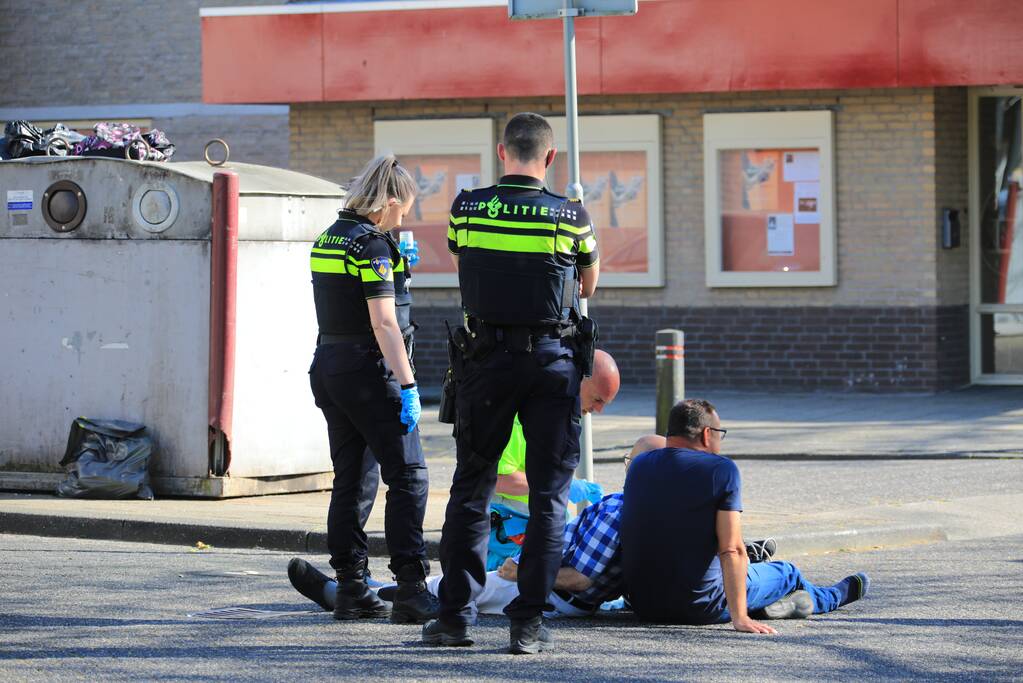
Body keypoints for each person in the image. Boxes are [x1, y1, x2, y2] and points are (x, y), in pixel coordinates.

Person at [426, 112, 600, 654]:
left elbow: (464, 259)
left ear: (502, 153)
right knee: (549, 494)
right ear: (550, 159)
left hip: (485, 361)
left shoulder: (468, 207)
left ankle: (454, 619)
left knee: (472, 487)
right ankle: (527, 624)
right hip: (551, 363)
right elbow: (589, 281)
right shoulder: (570, 215)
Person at [307, 154, 435, 625]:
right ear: (390, 202)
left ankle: (352, 588)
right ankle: (411, 589)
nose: (404, 220)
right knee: (408, 476)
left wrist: (399, 268)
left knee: (354, 478)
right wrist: (408, 383)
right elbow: (383, 322)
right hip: (368, 369)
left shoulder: (331, 237)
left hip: (330, 366)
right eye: (403, 212)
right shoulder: (371, 247)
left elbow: (345, 299)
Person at [621, 399, 870, 634]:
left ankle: (774, 605)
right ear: (707, 434)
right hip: (701, 607)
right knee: (787, 572)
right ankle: (827, 598)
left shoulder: (639, 465)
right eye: (720, 433)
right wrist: (740, 618)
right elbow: (731, 550)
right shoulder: (720, 470)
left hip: (645, 605)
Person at [488, 350, 620, 570]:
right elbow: (500, 479)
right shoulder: (520, 418)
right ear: (580, 378)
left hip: (530, 530)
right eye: (598, 399)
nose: (599, 410)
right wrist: (559, 487)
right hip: (506, 539)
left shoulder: (560, 418)